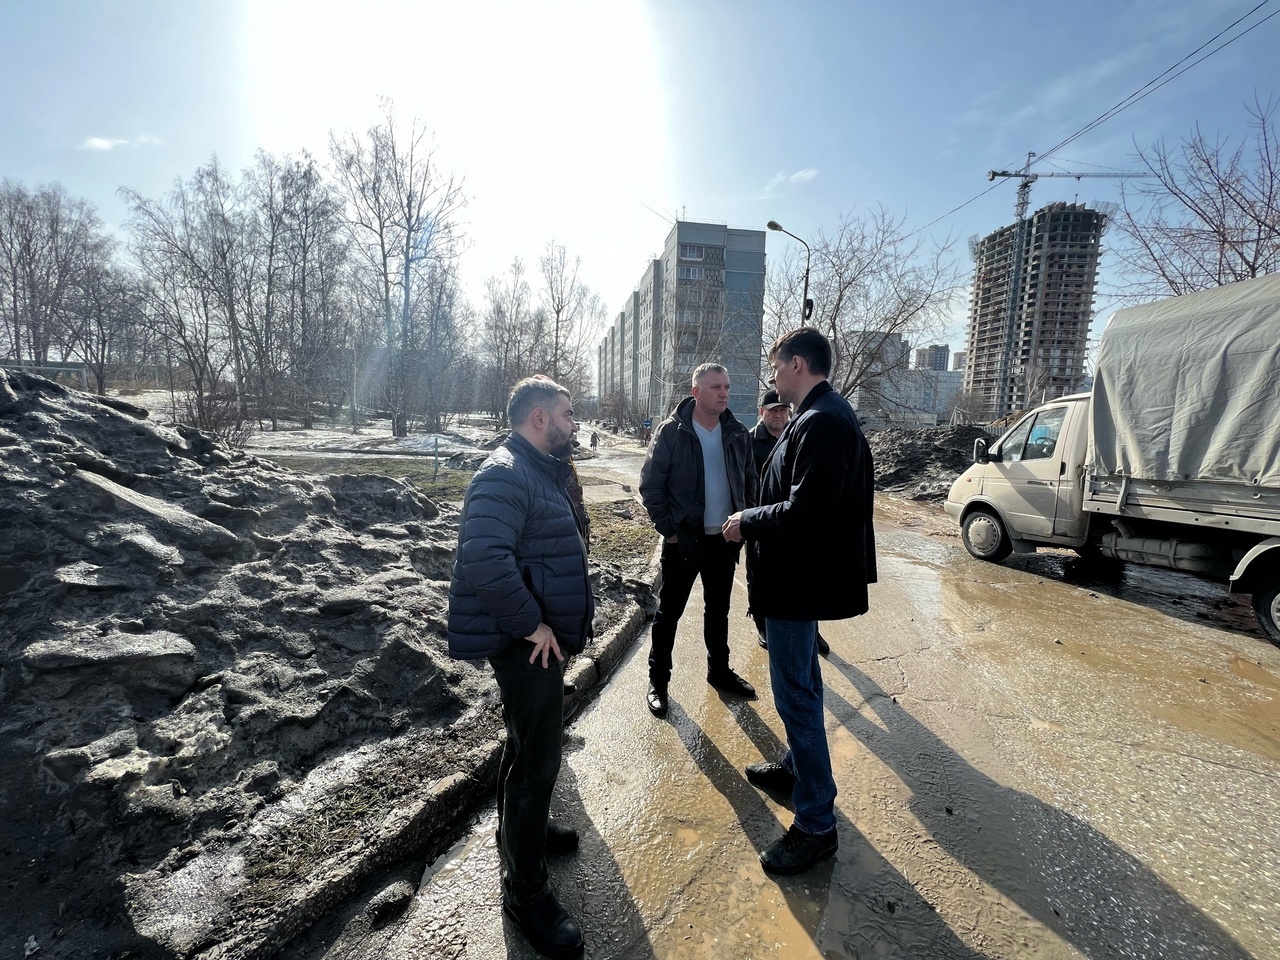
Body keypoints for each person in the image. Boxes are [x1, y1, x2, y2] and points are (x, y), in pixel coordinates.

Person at [447, 375, 592, 959]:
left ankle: (522, 838)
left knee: (527, 744)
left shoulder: (537, 467)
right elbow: (482, 557)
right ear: (539, 418)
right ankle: (525, 894)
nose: (574, 422)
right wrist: (532, 623)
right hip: (526, 644)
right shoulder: (505, 472)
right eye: (567, 413)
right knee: (537, 761)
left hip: (536, 641)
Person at [723, 328, 876, 875]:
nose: (771, 377)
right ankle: (795, 767)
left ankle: (816, 824)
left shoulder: (825, 421)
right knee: (801, 684)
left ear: (796, 364)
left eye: (774, 367)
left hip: (797, 583)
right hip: (794, 581)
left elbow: (806, 512)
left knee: (797, 698)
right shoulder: (817, 416)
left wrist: (746, 520)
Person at [639, 362, 758, 717]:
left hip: (723, 540)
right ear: (696, 392)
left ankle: (718, 671)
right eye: (715, 387)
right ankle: (658, 681)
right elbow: (651, 486)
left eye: (726, 386)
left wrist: (744, 520)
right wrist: (670, 531)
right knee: (669, 613)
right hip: (684, 542)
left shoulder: (737, 432)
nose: (724, 393)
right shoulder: (672, 432)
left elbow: (750, 479)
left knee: (718, 611)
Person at [747, 389, 830, 657]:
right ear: (762, 412)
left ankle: (811, 632)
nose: (779, 415)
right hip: (759, 520)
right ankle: (763, 625)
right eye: (773, 410)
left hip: (789, 519)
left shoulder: (795, 435)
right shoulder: (748, 442)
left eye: (783, 410)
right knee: (758, 576)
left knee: (802, 577)